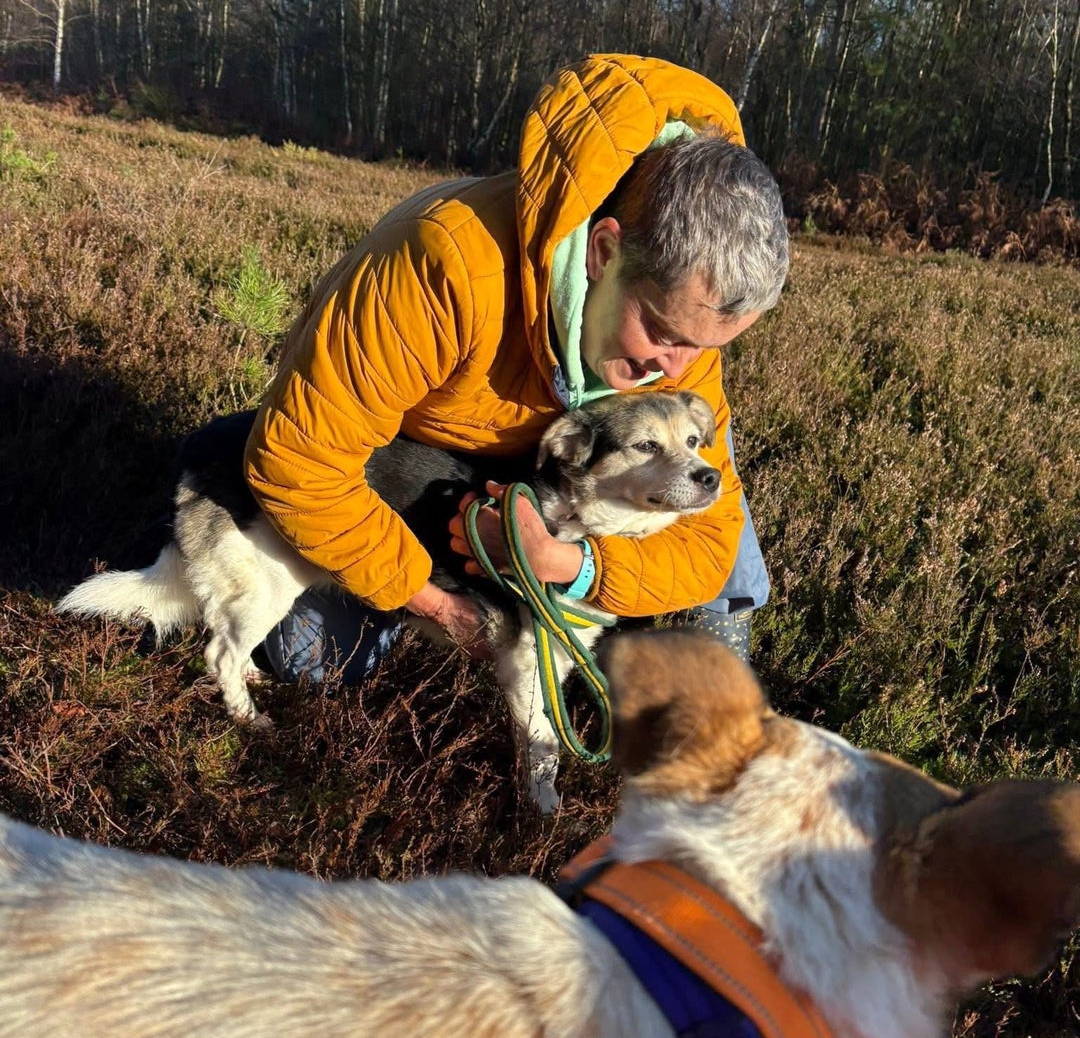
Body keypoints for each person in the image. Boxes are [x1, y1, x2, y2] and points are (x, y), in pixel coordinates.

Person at [243, 53, 788, 685]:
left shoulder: (681, 339)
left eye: (705, 347)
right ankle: (226, 449)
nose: (678, 370)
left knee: (700, 481)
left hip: (559, 472)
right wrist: (434, 603)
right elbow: (302, 464)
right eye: (664, 333)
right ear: (604, 251)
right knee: (315, 659)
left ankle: (712, 676)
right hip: (410, 457)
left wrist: (567, 567)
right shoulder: (443, 268)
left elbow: (711, 545)